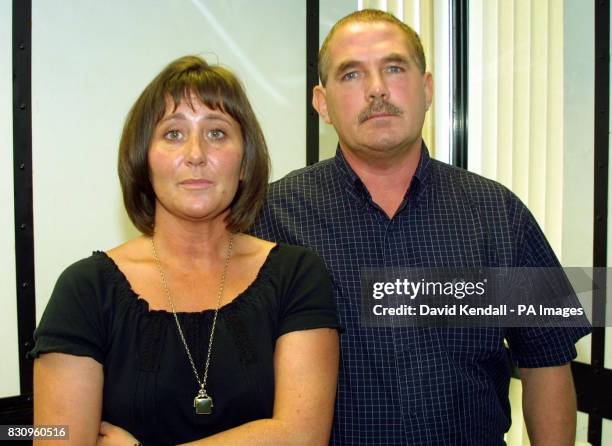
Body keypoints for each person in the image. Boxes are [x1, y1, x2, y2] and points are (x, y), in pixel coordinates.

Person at [252, 9, 590, 445]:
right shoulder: (272, 217)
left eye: (394, 68)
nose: (377, 89)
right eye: (352, 75)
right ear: (322, 104)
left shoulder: (499, 214)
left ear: (426, 88)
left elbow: (547, 360)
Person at [30, 55, 340, 446]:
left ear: (245, 162)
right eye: (173, 134)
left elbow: (302, 436)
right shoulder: (85, 289)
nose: (195, 154)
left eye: (217, 133)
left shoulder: (297, 276)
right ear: (143, 160)